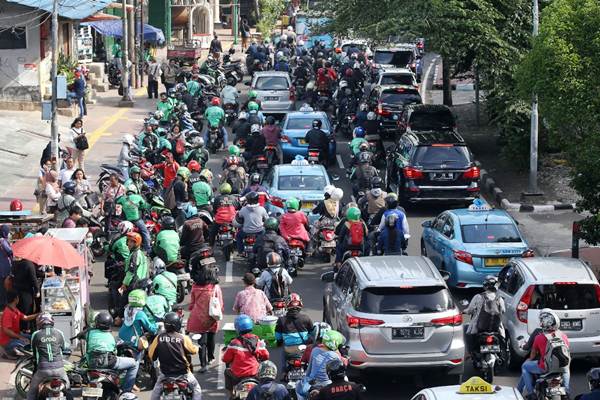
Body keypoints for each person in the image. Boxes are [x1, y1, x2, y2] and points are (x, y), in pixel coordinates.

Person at [517, 309, 570, 399]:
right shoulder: (563, 335)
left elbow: (532, 355)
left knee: (525, 366)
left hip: (545, 368)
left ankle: (531, 394)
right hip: (561, 367)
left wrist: (529, 359)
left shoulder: (539, 337)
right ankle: (567, 391)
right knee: (566, 368)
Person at [149, 312, 202, 400]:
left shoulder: (158, 338)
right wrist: (196, 347)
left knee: (155, 393)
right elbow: (193, 351)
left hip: (165, 374)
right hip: (183, 374)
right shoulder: (183, 338)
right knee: (197, 389)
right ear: (177, 324)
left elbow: (151, 355)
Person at [84, 311, 137, 394]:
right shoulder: (110, 337)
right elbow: (114, 351)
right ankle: (126, 391)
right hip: (108, 362)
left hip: (92, 364)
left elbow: (83, 336)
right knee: (133, 363)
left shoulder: (89, 333)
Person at [222, 314, 270, 395]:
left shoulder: (234, 343)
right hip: (255, 374)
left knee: (227, 371)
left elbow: (225, 359)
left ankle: (232, 393)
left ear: (237, 328)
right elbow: (266, 356)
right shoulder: (257, 340)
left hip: (238, 376)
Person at [27, 313, 70, 400]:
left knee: (32, 392)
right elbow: (64, 348)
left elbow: (34, 352)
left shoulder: (35, 334)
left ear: (39, 323)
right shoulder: (59, 333)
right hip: (59, 370)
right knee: (68, 389)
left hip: (43, 370)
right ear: (52, 322)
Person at [188, 270, 223, 372]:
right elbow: (220, 303)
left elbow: (192, 304)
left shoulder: (195, 287)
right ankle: (211, 357)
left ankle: (203, 365)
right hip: (212, 317)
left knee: (201, 342)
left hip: (198, 318)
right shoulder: (215, 288)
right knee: (211, 337)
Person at [296, 330, 346, 399]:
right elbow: (339, 372)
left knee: (298, 388)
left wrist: (305, 380)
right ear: (335, 343)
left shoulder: (315, 350)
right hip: (327, 385)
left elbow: (309, 370)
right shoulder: (335, 355)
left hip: (312, 385)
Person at [276, 293, 312, 367]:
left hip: (289, 349)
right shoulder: (306, 318)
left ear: (287, 305)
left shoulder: (281, 320)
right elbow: (312, 332)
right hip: (304, 348)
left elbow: (278, 336)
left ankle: (284, 372)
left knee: (283, 356)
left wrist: (279, 343)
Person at [0, 291, 38, 356]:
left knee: (34, 337)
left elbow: (25, 318)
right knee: (25, 344)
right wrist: (20, 337)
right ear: (16, 299)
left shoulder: (14, 309)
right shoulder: (8, 313)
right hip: (7, 340)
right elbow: (6, 330)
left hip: (15, 336)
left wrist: (39, 314)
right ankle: (7, 351)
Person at [117, 186, 151, 252]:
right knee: (145, 232)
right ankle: (148, 249)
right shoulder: (138, 197)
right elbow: (144, 205)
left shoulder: (123, 198)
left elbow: (117, 201)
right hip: (136, 220)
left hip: (126, 220)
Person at [120, 232, 149, 297]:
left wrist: (124, 284)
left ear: (136, 243)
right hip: (141, 282)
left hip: (134, 284)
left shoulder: (135, 255)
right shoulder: (141, 253)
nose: (128, 244)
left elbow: (131, 272)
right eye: (128, 241)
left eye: (131, 242)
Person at [0, 224, 13, 308]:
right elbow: (9, 251)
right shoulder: (2, 241)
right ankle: (4, 303)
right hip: (4, 267)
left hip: (2, 266)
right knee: (4, 286)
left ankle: (2, 302)